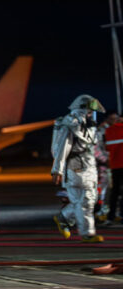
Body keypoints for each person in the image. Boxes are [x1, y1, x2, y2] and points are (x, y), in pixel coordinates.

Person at [52, 94, 105, 243]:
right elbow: (63, 147)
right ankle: (87, 233)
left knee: (88, 200)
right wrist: (58, 169)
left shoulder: (87, 126)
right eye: (89, 111)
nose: (91, 114)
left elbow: (92, 147)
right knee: (84, 201)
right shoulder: (71, 125)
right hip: (75, 166)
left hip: (87, 166)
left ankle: (64, 217)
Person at [96, 111, 119, 222]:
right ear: (107, 119)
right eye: (112, 119)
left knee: (114, 190)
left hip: (115, 164)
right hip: (104, 166)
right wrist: (105, 160)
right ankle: (102, 211)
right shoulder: (100, 131)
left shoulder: (116, 129)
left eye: (116, 118)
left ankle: (110, 211)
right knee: (103, 190)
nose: (114, 121)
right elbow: (96, 148)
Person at [105, 111, 123, 225]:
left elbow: (107, 148)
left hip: (115, 165)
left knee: (114, 192)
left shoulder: (108, 130)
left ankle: (110, 216)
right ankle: (121, 215)